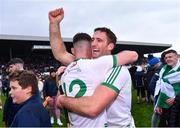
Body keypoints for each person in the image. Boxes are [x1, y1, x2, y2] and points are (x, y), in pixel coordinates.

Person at [49, 8, 138, 127]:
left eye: (99, 40)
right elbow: (60, 53)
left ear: (110, 46)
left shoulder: (117, 70)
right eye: (92, 40)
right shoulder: (89, 64)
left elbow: (92, 107)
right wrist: (54, 24)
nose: (93, 43)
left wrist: (62, 100)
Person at [155, 49, 180, 127]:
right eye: (166, 58)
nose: (168, 59)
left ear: (177, 57)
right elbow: (161, 88)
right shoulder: (163, 70)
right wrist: (158, 104)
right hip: (165, 103)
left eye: (170, 57)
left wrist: (176, 98)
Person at [3, 58, 24, 126]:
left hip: (20, 115)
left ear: (17, 66)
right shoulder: (13, 78)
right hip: (11, 114)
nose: (9, 69)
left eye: (11, 67)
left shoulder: (29, 78)